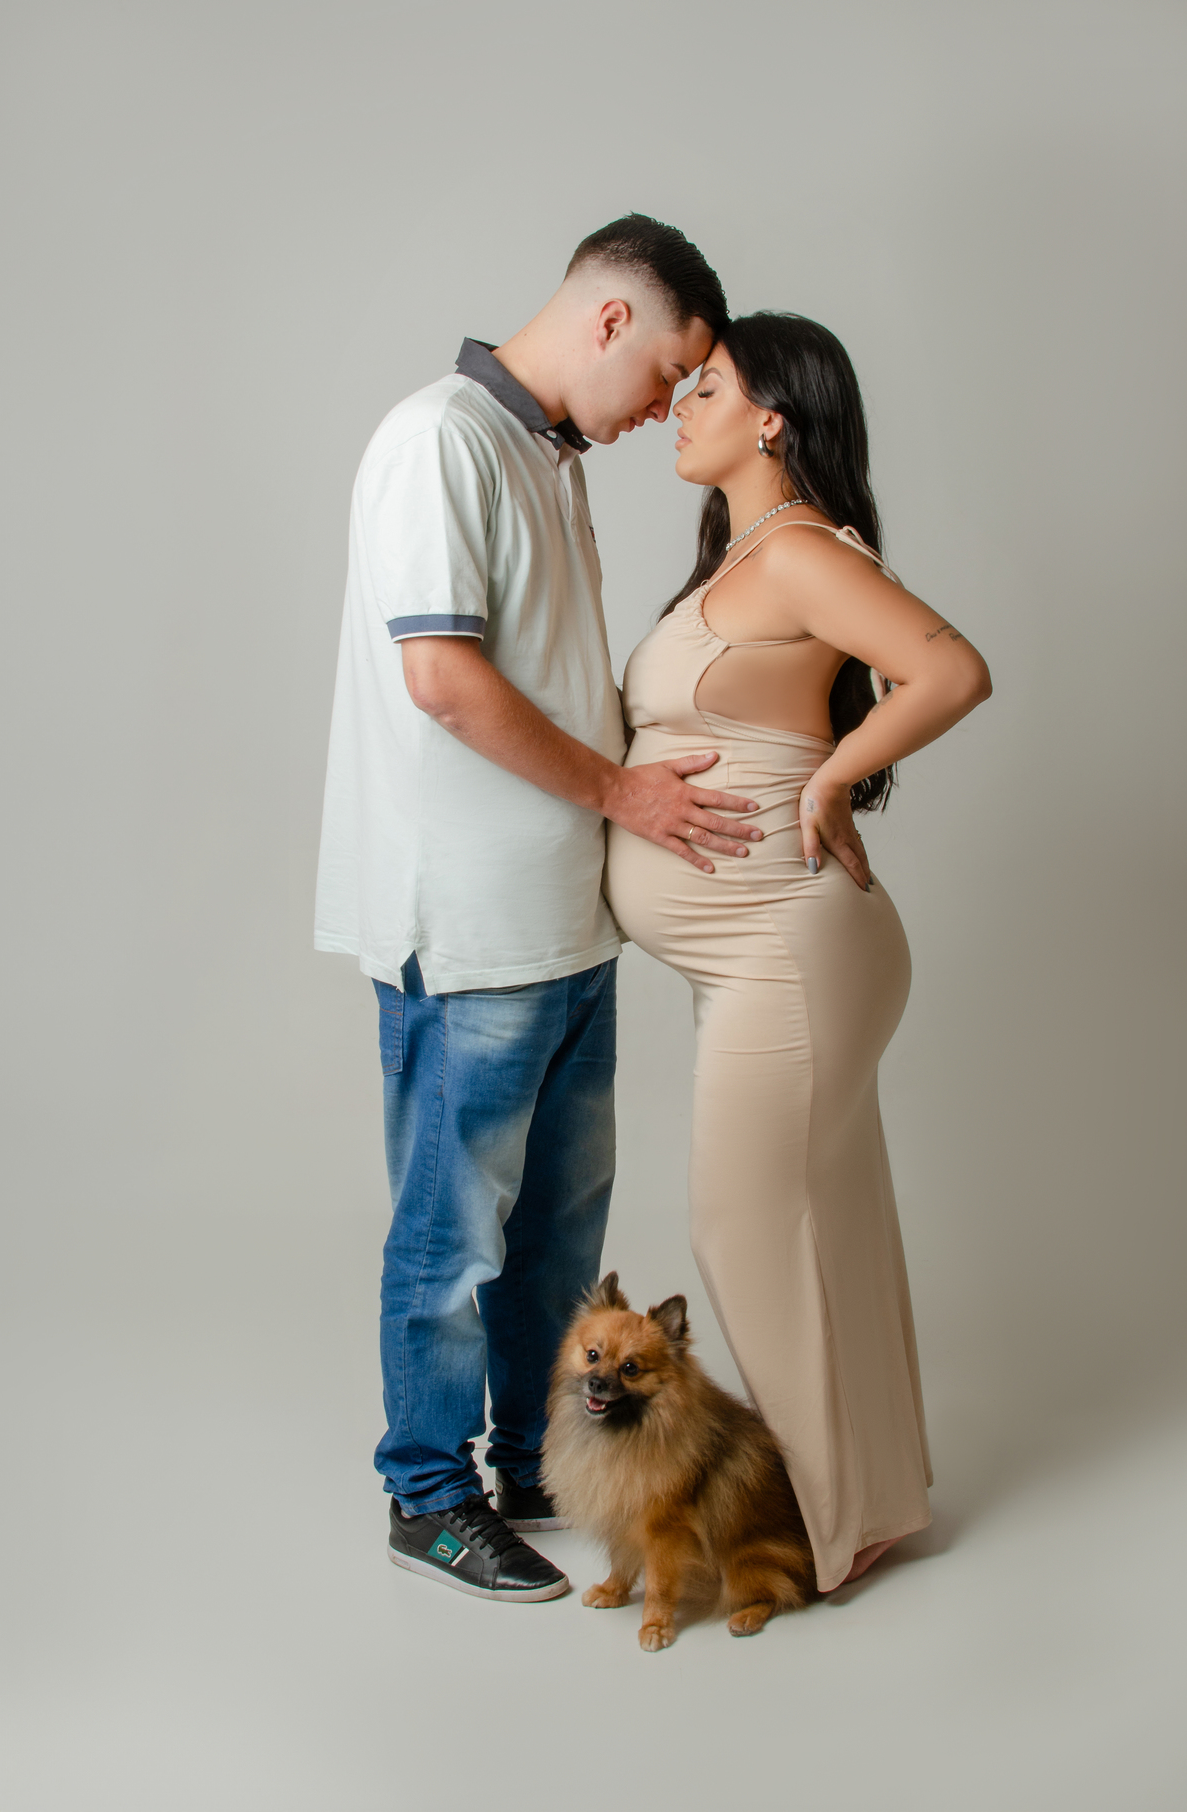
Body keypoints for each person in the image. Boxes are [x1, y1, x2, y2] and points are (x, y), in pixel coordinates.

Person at [315, 216, 761, 1603]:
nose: (669, 409)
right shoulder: (440, 440)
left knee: (561, 1235)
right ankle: (428, 1496)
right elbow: (443, 681)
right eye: (671, 373)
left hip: (566, 923)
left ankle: (529, 1461)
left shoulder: (546, 457)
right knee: (453, 1237)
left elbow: (555, 680)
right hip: (469, 929)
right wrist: (625, 794)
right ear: (611, 320)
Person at [605, 312, 992, 1594]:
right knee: (832, 1224)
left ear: (771, 418)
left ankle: (819, 1532)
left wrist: (830, 780)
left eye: (708, 387)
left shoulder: (799, 551)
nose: (681, 403)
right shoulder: (745, 557)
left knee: (747, 1225)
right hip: (765, 951)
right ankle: (868, 1506)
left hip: (789, 945)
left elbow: (949, 671)